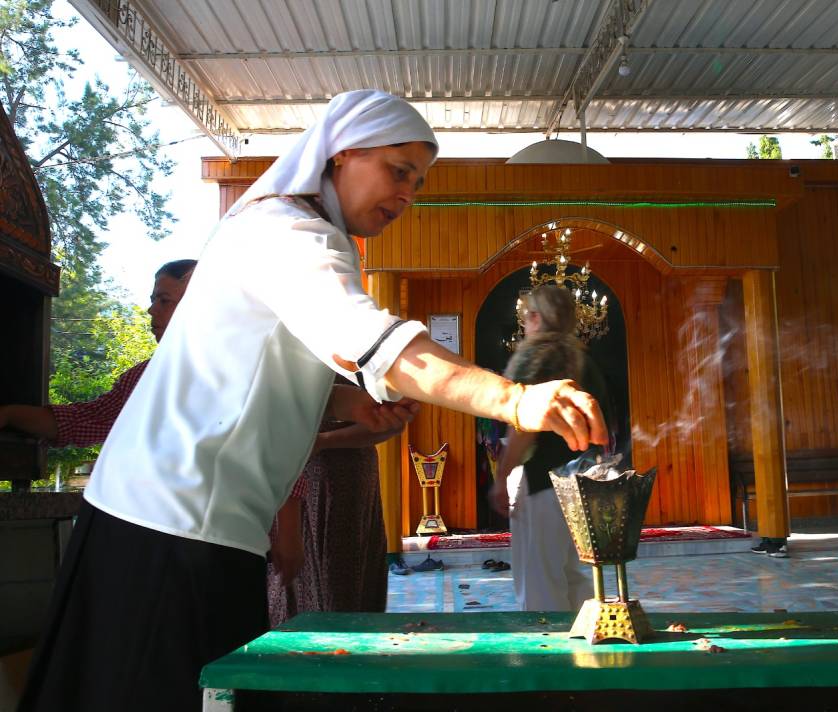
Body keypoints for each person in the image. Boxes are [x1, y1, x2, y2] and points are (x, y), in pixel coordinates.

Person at [18, 90, 606, 712]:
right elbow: (378, 342)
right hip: (167, 522)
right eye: (398, 171)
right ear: (340, 154)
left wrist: (345, 406)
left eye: (418, 181)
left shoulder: (299, 232)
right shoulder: (287, 231)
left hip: (196, 522)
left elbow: (253, 370)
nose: (408, 193)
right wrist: (513, 398)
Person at [489, 285, 610, 611]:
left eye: (526, 317)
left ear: (536, 317)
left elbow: (524, 429)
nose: (525, 324)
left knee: (538, 582)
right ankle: (584, 649)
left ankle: (544, 656)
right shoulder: (584, 361)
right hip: (585, 485)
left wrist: (501, 478)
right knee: (572, 574)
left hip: (544, 484)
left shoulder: (537, 359)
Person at [266, 375, 414, 625]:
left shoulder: (360, 355)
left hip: (344, 479)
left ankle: (343, 652)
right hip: (299, 474)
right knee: (295, 583)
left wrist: (324, 441)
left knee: (340, 584)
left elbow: (394, 422)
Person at [0, 259, 196, 445]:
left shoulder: (225, 370)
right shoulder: (144, 377)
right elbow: (85, 420)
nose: (151, 310)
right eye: (153, 300)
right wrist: (9, 414)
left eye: (164, 300)